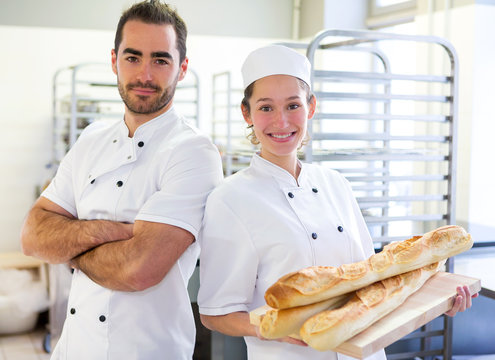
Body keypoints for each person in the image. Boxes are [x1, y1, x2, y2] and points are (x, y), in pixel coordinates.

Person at [197, 45, 475, 360]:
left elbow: (373, 281)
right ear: (247, 113)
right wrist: (269, 328)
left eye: (292, 105)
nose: (281, 121)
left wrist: (436, 300)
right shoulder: (231, 198)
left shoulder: (335, 184)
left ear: (310, 107)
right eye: (265, 108)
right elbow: (215, 313)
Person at [20, 1, 223, 359]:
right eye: (133, 57)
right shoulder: (91, 139)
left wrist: (71, 250)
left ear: (182, 68)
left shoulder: (193, 151)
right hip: (74, 349)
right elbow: (33, 236)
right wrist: (116, 234)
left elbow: (137, 270)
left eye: (160, 60)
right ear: (114, 60)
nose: (145, 74)